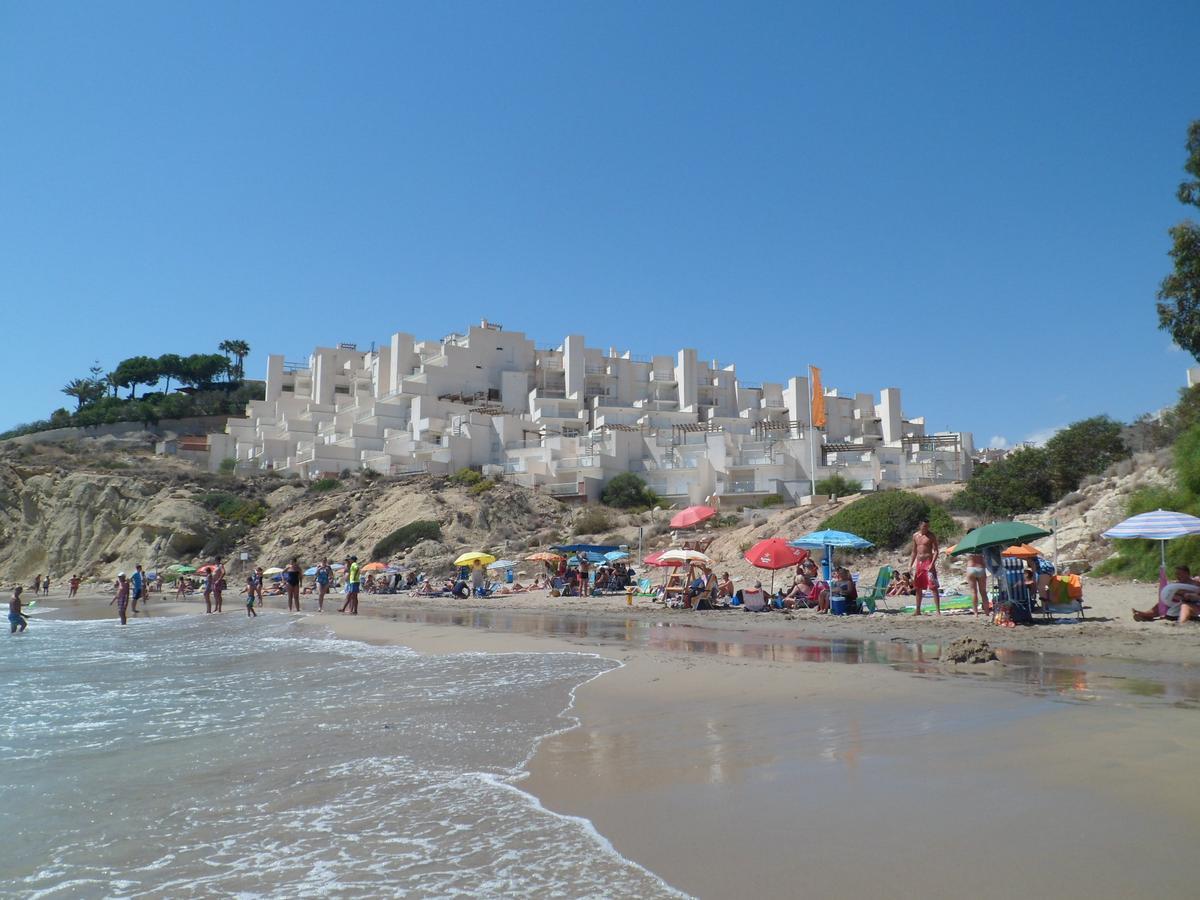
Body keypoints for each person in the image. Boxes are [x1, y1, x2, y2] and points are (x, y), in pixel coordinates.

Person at [1133, 566, 1200, 622]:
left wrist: (1183, 594)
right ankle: (1147, 614)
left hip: (1190, 602)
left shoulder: (1195, 583)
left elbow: (1196, 594)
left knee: (1177, 605)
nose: (1178, 576)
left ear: (1187, 574)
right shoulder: (1177, 584)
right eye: (1176, 574)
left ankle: (1148, 615)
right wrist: (1177, 595)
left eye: (1180, 574)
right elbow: (1171, 594)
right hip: (1178, 602)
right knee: (1161, 604)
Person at [909, 519, 941, 615]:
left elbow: (936, 551)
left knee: (933, 586)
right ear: (920, 526)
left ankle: (938, 611)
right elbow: (914, 551)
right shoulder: (915, 536)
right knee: (918, 587)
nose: (926, 528)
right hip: (919, 563)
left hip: (928, 562)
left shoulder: (931, 536)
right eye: (924, 526)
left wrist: (932, 564)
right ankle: (918, 610)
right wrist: (910, 565)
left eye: (927, 526)